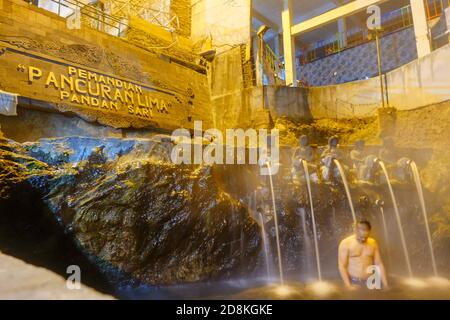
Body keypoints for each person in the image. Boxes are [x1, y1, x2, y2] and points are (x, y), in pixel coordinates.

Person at [338, 220, 389, 290]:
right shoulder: (346, 243)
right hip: (353, 282)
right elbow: (342, 266)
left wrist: (385, 284)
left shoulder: (373, 243)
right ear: (355, 231)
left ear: (369, 232)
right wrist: (348, 285)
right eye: (361, 237)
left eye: (366, 237)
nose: (363, 239)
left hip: (371, 281)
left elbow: (379, 264)